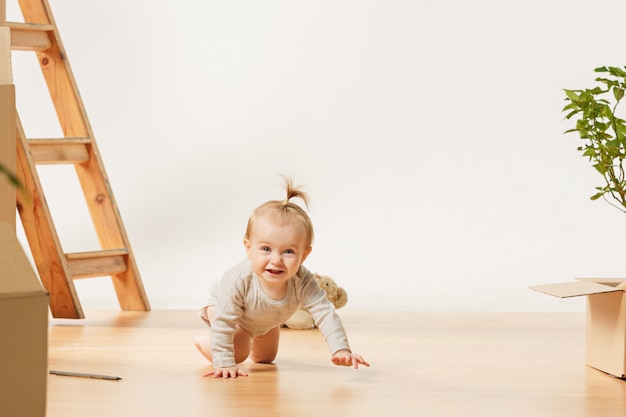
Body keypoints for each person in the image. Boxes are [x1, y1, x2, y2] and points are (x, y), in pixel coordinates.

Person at [193, 177, 369, 378]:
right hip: (226, 309)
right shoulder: (237, 280)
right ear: (248, 248)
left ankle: (248, 339)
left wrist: (341, 349)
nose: (276, 260)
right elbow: (224, 321)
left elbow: (325, 313)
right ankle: (205, 342)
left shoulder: (303, 281)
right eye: (266, 249)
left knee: (265, 359)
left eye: (288, 252)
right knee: (238, 353)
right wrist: (224, 362)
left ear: (304, 255)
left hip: (266, 317)